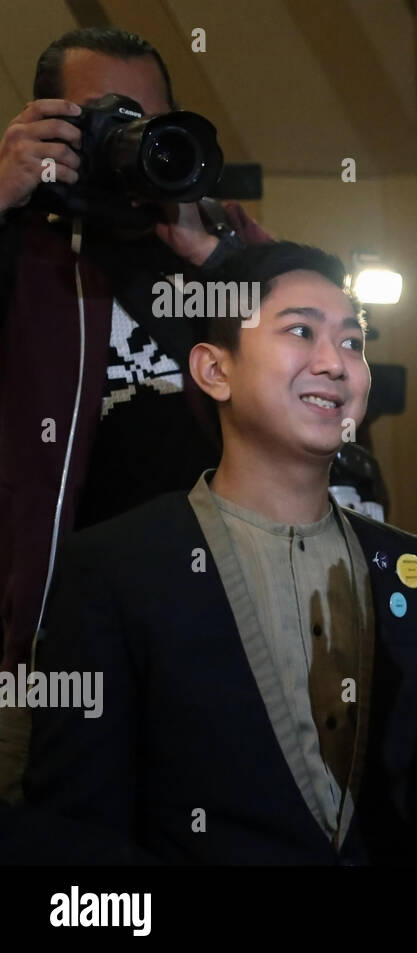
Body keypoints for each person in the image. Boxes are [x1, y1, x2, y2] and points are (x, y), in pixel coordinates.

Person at [23, 242, 417, 864]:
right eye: (300, 331)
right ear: (213, 370)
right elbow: (77, 838)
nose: (334, 363)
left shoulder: (411, 569)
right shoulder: (115, 568)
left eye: (354, 342)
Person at [0, 28, 270, 800]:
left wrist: (213, 252)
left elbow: (318, 345)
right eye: (102, 118)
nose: (127, 138)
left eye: (144, 119)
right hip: (41, 650)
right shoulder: (20, 241)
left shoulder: (214, 231)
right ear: (44, 120)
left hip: (220, 638)